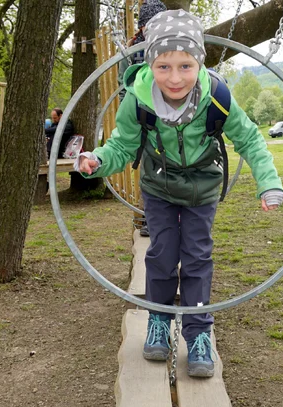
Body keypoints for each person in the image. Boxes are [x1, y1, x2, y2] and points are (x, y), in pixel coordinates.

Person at [75, 10, 283, 378]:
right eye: (164, 67)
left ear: (199, 62)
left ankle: (198, 332)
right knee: (161, 253)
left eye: (185, 66)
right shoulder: (137, 100)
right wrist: (98, 160)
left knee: (196, 256)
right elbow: (122, 147)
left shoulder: (217, 97)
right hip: (158, 186)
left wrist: (268, 182)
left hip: (202, 187)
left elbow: (250, 139)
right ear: (150, 64)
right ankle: (159, 318)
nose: (175, 78)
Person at [117, 0, 167, 237]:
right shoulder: (133, 49)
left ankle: (172, 217)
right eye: (150, 24)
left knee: (173, 166)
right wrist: (131, 111)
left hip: (170, 116)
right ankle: (151, 219)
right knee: (150, 170)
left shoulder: (171, 45)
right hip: (145, 118)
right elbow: (124, 85)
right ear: (143, 26)